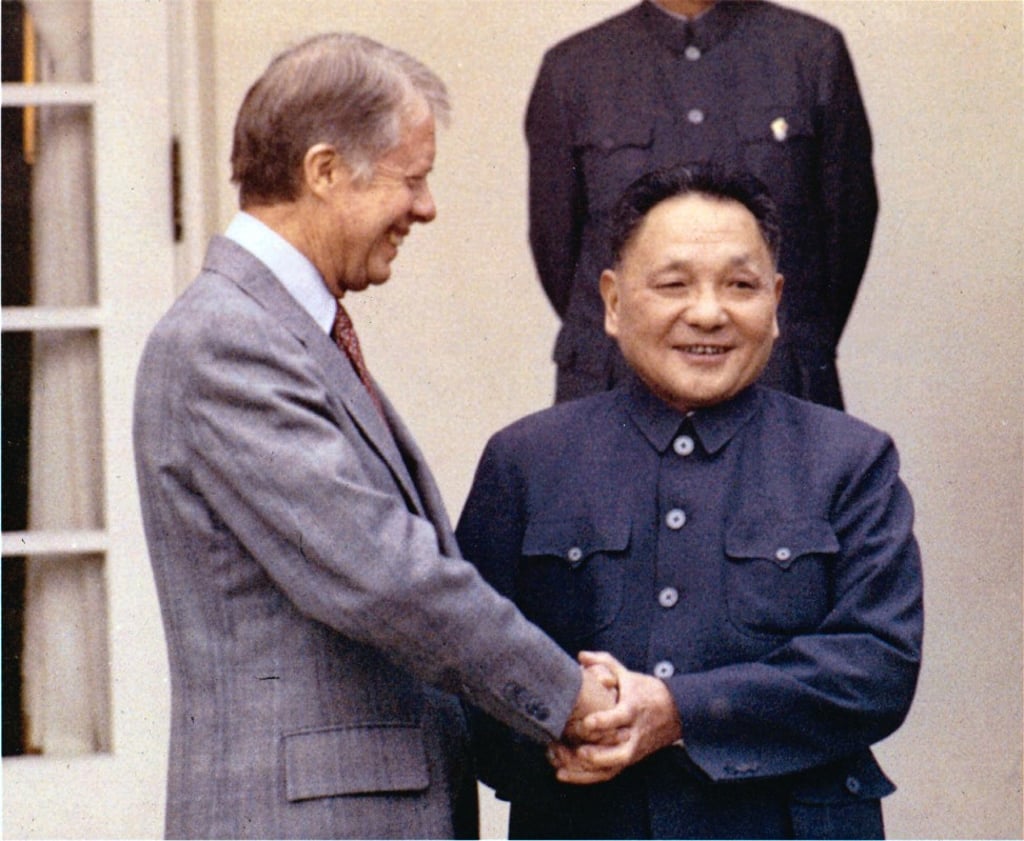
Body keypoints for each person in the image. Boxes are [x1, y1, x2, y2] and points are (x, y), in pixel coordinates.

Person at [133, 33, 615, 840]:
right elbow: (385, 576)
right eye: (413, 179)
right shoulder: (226, 340)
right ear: (324, 172)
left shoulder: (288, 331)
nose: (425, 207)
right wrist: (568, 697)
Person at [456, 163, 922, 839]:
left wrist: (679, 710)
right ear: (612, 303)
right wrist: (557, 734)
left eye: (741, 284)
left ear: (777, 301)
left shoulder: (851, 460)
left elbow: (878, 664)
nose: (709, 312)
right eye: (674, 284)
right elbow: (464, 667)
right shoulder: (526, 460)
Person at [527, 0, 878, 408]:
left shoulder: (811, 51)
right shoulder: (575, 67)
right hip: (615, 386)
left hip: (778, 381)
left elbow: (846, 232)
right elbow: (557, 249)